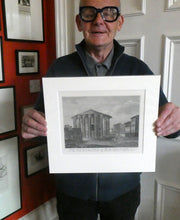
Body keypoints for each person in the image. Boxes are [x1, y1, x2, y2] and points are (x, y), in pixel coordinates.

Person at [22, 0, 180, 219]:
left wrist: (175, 122)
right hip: (72, 193)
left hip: (123, 193)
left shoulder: (138, 71)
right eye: (89, 13)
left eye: (109, 13)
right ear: (79, 22)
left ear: (120, 22)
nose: (99, 20)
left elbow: (168, 128)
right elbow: (44, 130)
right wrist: (33, 125)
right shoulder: (59, 69)